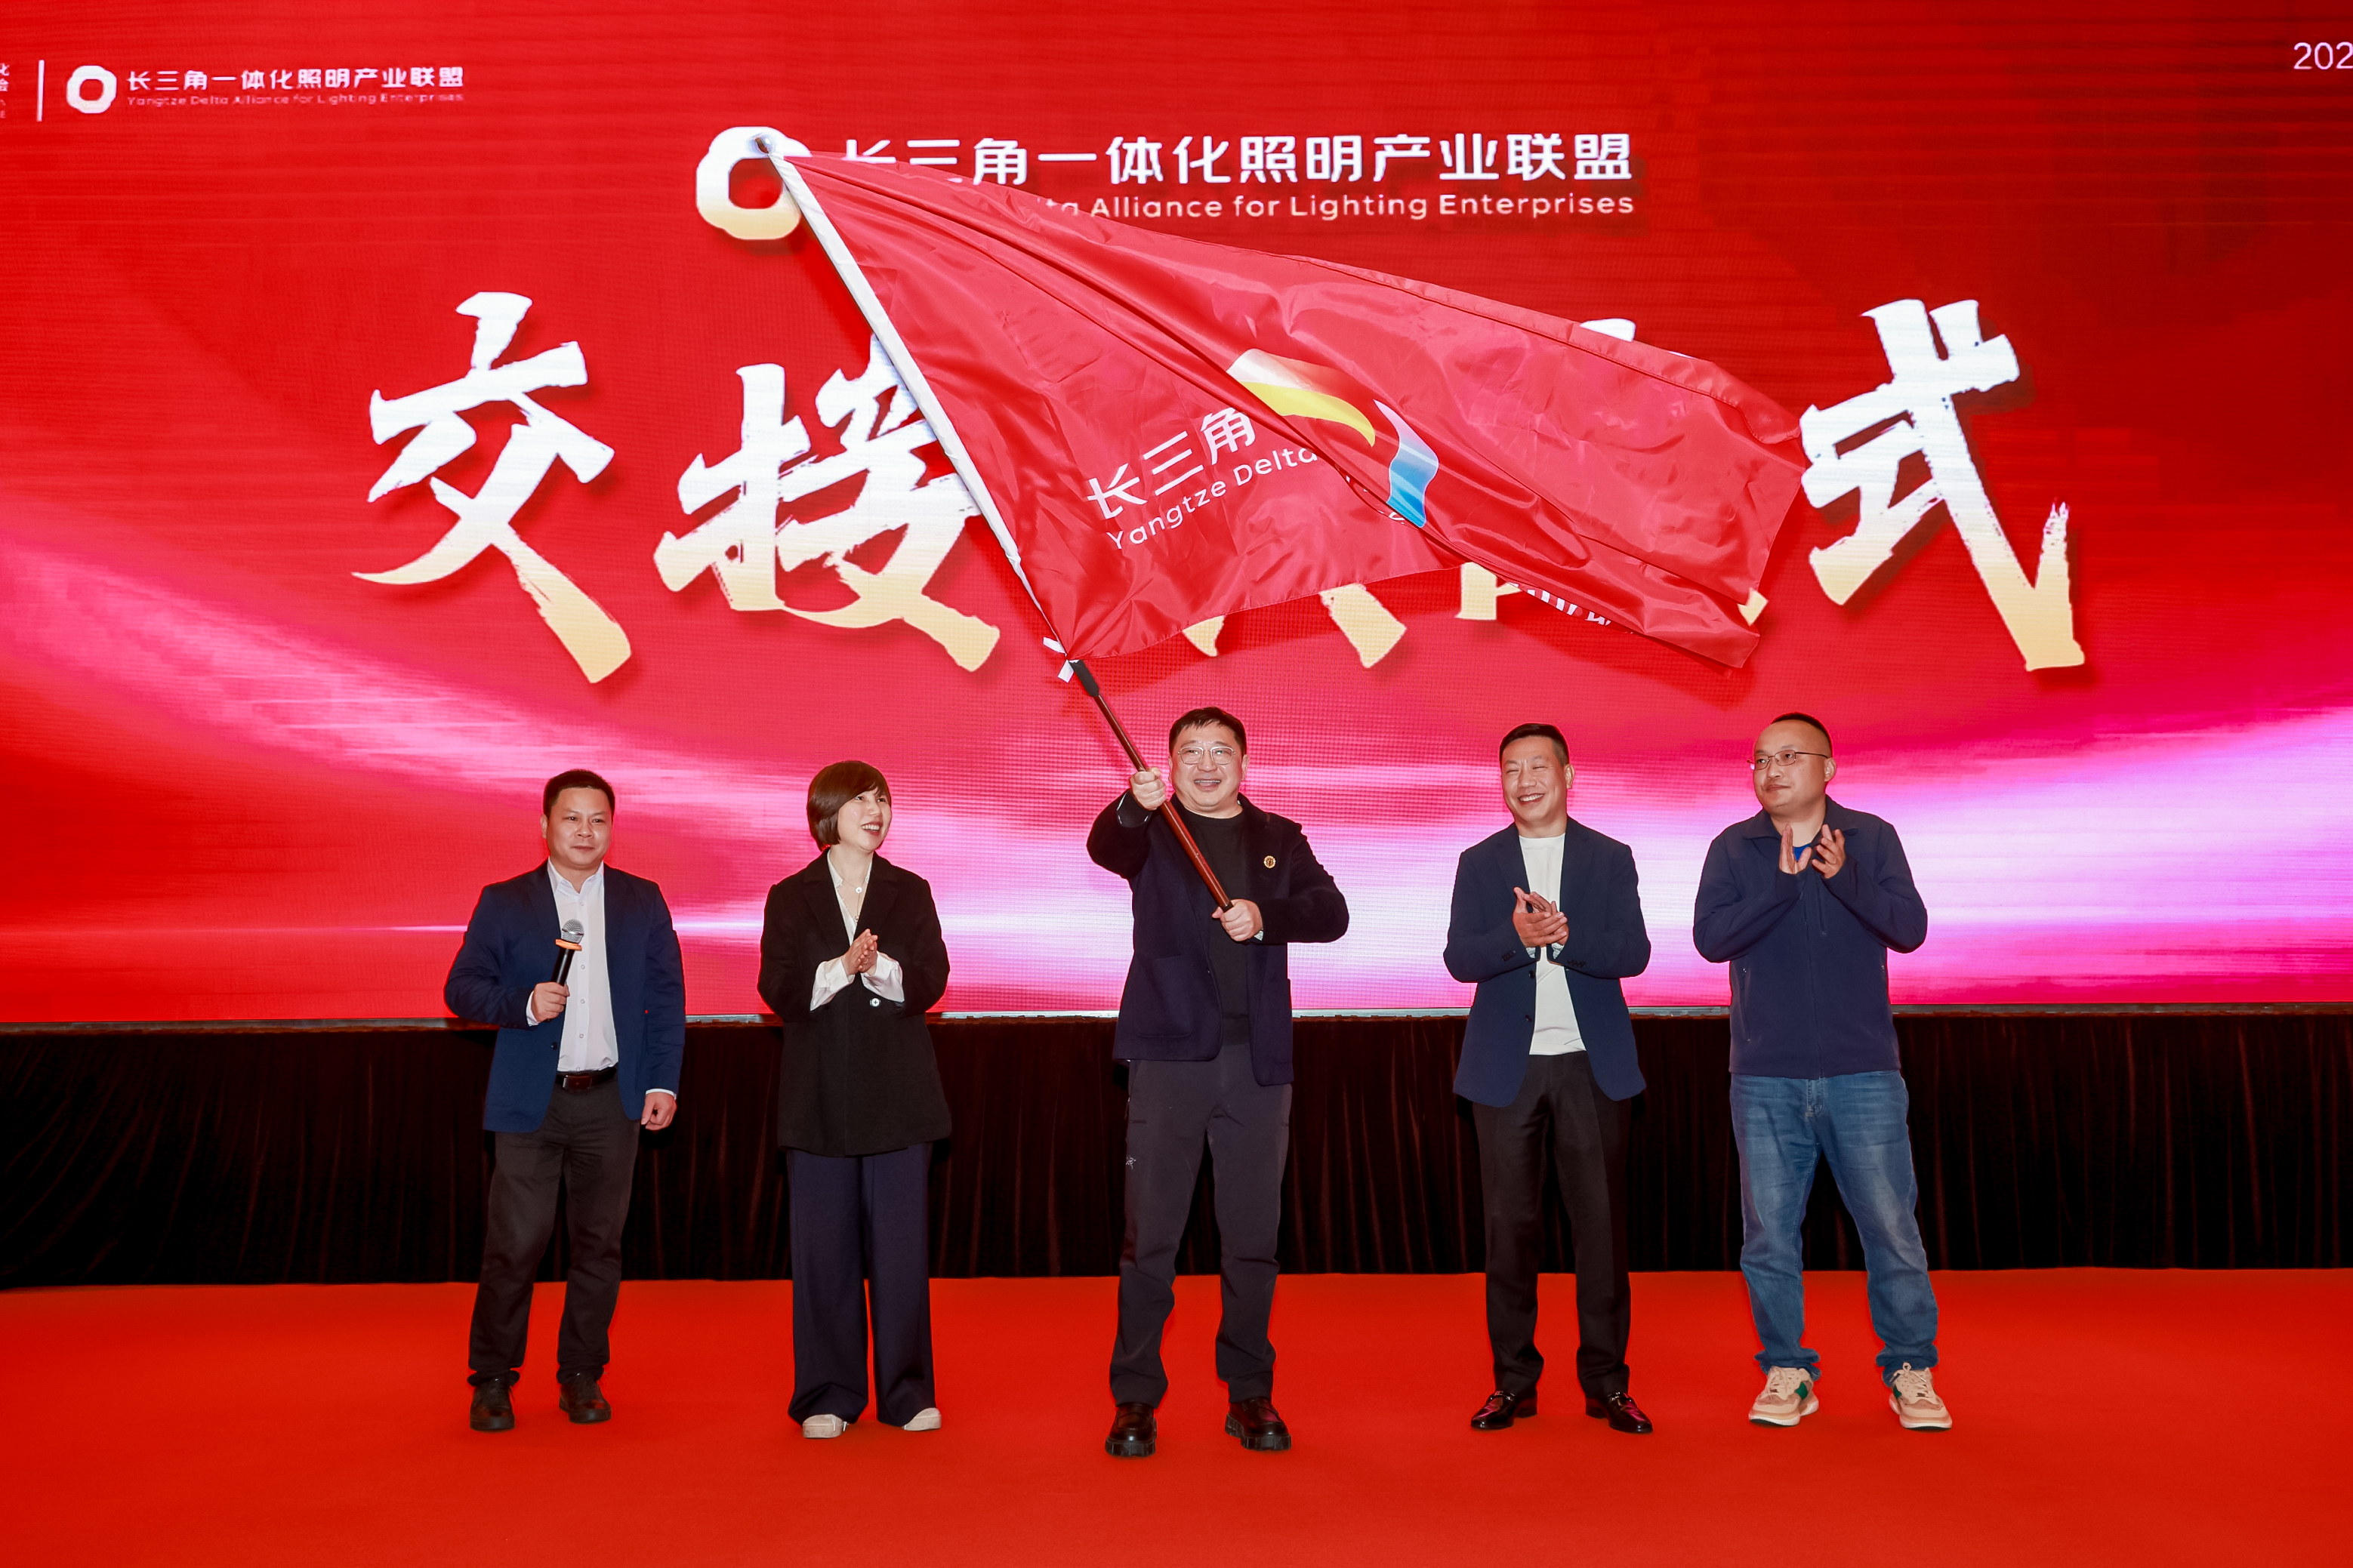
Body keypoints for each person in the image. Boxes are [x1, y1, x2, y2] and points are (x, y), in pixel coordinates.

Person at [1087, 706, 1348, 1459]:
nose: (1206, 764)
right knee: (1151, 1239)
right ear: (1169, 765)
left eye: (1220, 751)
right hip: (1169, 1056)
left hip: (1257, 1063)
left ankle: (1249, 1392)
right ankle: (1135, 1397)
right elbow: (1105, 845)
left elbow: (1331, 912)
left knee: (1252, 1239)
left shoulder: (1279, 838)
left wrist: (1264, 917)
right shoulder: (1152, 829)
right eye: (1191, 752)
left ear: (1244, 761)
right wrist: (1132, 805)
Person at [1694, 713, 1950, 1431]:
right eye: (1760, 760)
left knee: (1892, 1228)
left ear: (1828, 768)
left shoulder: (1871, 837)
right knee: (1769, 1235)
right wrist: (1780, 886)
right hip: (1765, 1075)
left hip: (1862, 1071)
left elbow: (1909, 928)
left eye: (1788, 756)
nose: (1771, 770)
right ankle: (1787, 1368)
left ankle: (1911, 1367)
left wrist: (1847, 879)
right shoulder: (1734, 847)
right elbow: (1711, 939)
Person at [444, 769, 684, 1432]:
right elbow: (461, 988)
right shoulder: (505, 901)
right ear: (545, 825)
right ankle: (493, 1378)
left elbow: (666, 998)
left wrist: (662, 1082)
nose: (585, 830)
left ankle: (581, 1373)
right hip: (532, 1102)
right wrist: (522, 1003)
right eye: (572, 817)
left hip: (611, 1099)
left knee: (599, 1246)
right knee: (515, 1245)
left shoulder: (641, 899)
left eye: (598, 819)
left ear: (612, 828)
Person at [1444, 723, 1655, 1435]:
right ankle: (1513, 1383)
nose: (1525, 779)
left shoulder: (1609, 856)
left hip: (1591, 1066)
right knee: (1510, 1233)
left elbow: (1634, 952)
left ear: (1568, 774)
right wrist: (1517, 938)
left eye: (1538, 765)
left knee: (1601, 1232)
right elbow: (1459, 959)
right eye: (1511, 768)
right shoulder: (1479, 862)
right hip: (1507, 1070)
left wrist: (1564, 937)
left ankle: (1607, 1382)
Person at [757, 761, 952, 1440]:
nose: (876, 810)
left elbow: (932, 977)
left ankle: (906, 1391)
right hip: (818, 1100)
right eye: (861, 800)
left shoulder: (910, 889)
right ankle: (827, 1392)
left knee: (901, 1253)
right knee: (824, 1255)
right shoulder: (791, 895)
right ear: (827, 812)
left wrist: (881, 968)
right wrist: (841, 968)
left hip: (899, 1096)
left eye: (883, 799)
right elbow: (778, 989)